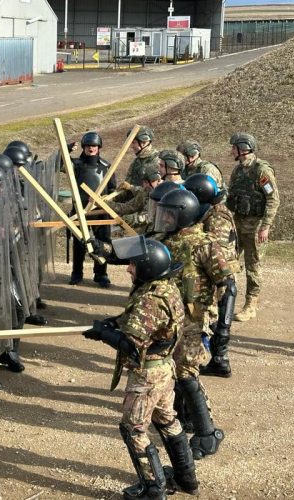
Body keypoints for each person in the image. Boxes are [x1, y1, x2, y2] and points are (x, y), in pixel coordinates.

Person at [83, 236, 198, 499]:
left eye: (133, 265)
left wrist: (103, 334)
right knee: (168, 420)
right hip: (164, 371)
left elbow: (132, 345)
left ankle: (153, 488)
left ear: (146, 269)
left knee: (133, 428)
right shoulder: (166, 288)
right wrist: (113, 322)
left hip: (147, 376)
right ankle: (186, 478)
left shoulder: (150, 300)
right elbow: (142, 325)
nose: (128, 268)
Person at [154, 189, 235, 459]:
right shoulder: (166, 241)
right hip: (169, 319)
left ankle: (207, 433)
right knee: (173, 371)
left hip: (193, 320)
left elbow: (229, 285)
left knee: (187, 373)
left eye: (168, 214)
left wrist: (222, 329)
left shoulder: (205, 245)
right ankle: (184, 419)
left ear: (182, 214)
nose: (162, 218)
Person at [184, 174, 240, 378]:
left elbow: (217, 251)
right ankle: (219, 359)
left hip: (222, 276)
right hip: (218, 273)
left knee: (216, 317)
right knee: (214, 317)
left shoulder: (217, 217)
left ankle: (220, 360)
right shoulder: (210, 212)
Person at [225, 133, 279, 322]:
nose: (231, 151)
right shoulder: (237, 171)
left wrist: (265, 226)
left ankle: (251, 305)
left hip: (255, 228)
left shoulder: (261, 171)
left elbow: (273, 199)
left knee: (253, 266)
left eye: (234, 147)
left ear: (243, 148)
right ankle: (225, 298)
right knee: (227, 261)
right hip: (237, 224)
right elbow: (231, 196)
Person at [68, 131, 115, 287]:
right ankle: (77, 273)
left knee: (103, 242)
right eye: (88, 145)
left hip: (101, 212)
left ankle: (101, 274)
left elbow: (113, 189)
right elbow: (58, 165)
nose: (91, 148)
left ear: (99, 147)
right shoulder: (75, 165)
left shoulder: (107, 166)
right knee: (79, 243)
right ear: (83, 147)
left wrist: (104, 202)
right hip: (81, 210)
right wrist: (66, 150)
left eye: (94, 145)